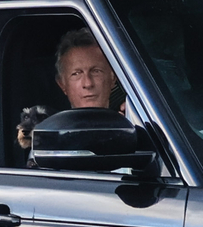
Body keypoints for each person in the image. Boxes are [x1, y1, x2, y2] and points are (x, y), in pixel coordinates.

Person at [17, 28, 126, 156]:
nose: (88, 83)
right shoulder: (48, 146)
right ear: (62, 84)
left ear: (113, 78)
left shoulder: (136, 122)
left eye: (96, 71)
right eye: (76, 74)